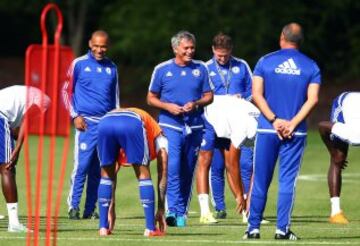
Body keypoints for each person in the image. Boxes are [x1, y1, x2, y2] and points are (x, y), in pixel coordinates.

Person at [245, 23, 321, 240]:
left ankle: (253, 229)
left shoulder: (265, 61)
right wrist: (292, 123)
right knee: (287, 181)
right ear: (300, 41)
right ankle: (281, 230)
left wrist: (275, 120)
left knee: (260, 179)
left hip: (267, 129)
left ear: (281, 38)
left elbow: (256, 94)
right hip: (295, 133)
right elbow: (313, 99)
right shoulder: (311, 65)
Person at [147, 30, 213, 227]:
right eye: (186, 48)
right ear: (175, 48)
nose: (190, 51)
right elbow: (151, 97)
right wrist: (168, 106)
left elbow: (209, 96)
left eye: (192, 47)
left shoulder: (201, 68)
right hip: (169, 125)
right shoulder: (162, 69)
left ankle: (181, 212)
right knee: (173, 166)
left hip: (194, 126)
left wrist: (196, 103)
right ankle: (172, 210)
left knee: (187, 168)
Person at [196, 33, 253, 223]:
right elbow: (200, 94)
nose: (222, 58)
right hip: (214, 121)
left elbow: (253, 91)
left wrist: (243, 99)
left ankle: (247, 205)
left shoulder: (241, 65)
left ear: (231, 51)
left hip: (237, 121)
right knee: (216, 165)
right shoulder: (204, 67)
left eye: (226, 55)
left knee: (242, 164)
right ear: (213, 50)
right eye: (219, 55)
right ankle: (219, 207)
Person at [64, 30, 120, 219]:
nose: (99, 50)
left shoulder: (112, 67)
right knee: (82, 166)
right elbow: (65, 91)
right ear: (89, 43)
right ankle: (73, 206)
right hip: (85, 123)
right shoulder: (78, 64)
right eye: (96, 45)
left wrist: (115, 123)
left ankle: (90, 209)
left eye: (103, 46)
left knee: (100, 168)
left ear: (108, 46)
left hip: (106, 124)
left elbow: (116, 99)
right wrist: (74, 116)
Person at [96, 108, 167, 236]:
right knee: (143, 174)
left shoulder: (147, 123)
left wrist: (110, 209)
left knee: (106, 174)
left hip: (105, 121)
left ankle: (103, 227)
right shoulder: (159, 136)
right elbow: (163, 169)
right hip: (131, 122)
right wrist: (161, 209)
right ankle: (150, 228)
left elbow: (113, 172)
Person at [0, 85, 50, 232]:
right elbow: (26, 121)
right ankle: (14, 223)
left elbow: (15, 131)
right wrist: (17, 150)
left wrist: (16, 140)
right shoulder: (45, 101)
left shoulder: (26, 94)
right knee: (7, 168)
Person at [318, 92, 360, 224]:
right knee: (338, 158)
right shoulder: (352, 134)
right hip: (344, 104)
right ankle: (335, 212)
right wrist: (332, 151)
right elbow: (322, 126)